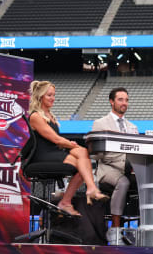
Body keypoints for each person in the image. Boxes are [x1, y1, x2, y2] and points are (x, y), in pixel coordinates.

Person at [28, 80, 108, 217]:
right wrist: (70, 144)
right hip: (42, 155)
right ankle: (86, 191)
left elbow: (56, 141)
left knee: (83, 154)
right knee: (81, 164)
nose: (53, 98)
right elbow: (56, 139)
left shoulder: (50, 116)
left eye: (54, 95)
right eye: (49, 95)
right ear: (40, 96)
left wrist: (68, 144)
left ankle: (80, 194)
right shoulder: (36, 116)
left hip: (53, 151)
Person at [91, 87, 138, 244]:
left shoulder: (133, 127)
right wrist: (123, 156)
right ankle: (115, 230)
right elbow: (97, 154)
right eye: (120, 99)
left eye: (126, 100)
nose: (124, 103)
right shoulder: (100, 123)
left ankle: (144, 228)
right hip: (108, 169)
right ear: (111, 101)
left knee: (147, 183)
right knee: (123, 182)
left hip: (129, 169)